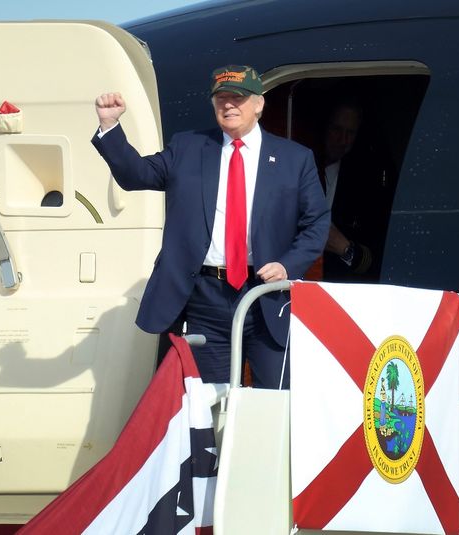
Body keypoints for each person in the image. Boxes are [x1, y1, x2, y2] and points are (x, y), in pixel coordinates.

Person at [92, 65, 328, 388]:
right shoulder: (188, 148)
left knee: (272, 404)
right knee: (209, 405)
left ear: (259, 104)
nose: (228, 105)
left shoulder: (294, 159)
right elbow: (137, 175)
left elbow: (316, 224)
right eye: (221, 99)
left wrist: (288, 265)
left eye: (238, 97)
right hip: (207, 299)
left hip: (266, 297)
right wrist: (110, 125)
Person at [318, 101, 396, 281]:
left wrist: (343, 247)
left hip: (338, 288)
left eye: (350, 133)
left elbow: (377, 260)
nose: (343, 140)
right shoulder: (295, 171)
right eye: (337, 129)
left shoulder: (364, 185)